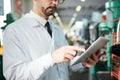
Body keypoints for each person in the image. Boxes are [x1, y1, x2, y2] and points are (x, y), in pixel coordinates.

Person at [3, 0, 99, 80]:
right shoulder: (14, 30)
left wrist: (83, 62)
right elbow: (13, 75)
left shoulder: (57, 30)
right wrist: (51, 58)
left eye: (59, 0)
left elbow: (67, 63)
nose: (55, 3)